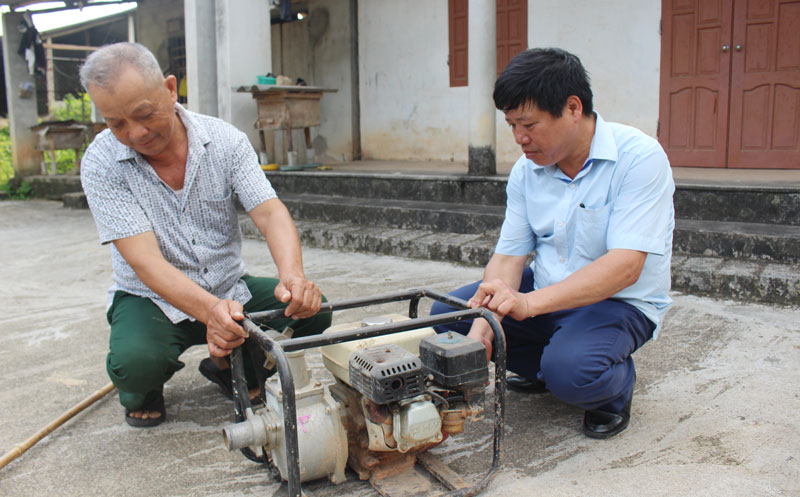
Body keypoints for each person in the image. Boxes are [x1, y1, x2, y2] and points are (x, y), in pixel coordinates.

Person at [79, 42, 331, 428]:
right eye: (116, 123)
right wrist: (210, 312)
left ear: (169, 88)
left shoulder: (224, 140)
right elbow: (144, 260)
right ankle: (144, 388)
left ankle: (222, 363)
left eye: (144, 114)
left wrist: (293, 275)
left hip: (227, 286)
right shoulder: (101, 162)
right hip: (150, 298)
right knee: (136, 365)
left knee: (314, 310)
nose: (136, 133)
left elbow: (268, 212)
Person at [431, 48, 674, 439]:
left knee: (572, 373)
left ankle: (611, 390)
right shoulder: (528, 171)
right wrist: (484, 323)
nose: (519, 139)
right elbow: (509, 255)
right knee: (448, 315)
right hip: (547, 289)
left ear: (573, 108)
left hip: (616, 302)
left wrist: (526, 304)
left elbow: (627, 266)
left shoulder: (639, 159)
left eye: (529, 124)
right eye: (511, 125)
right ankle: (545, 365)